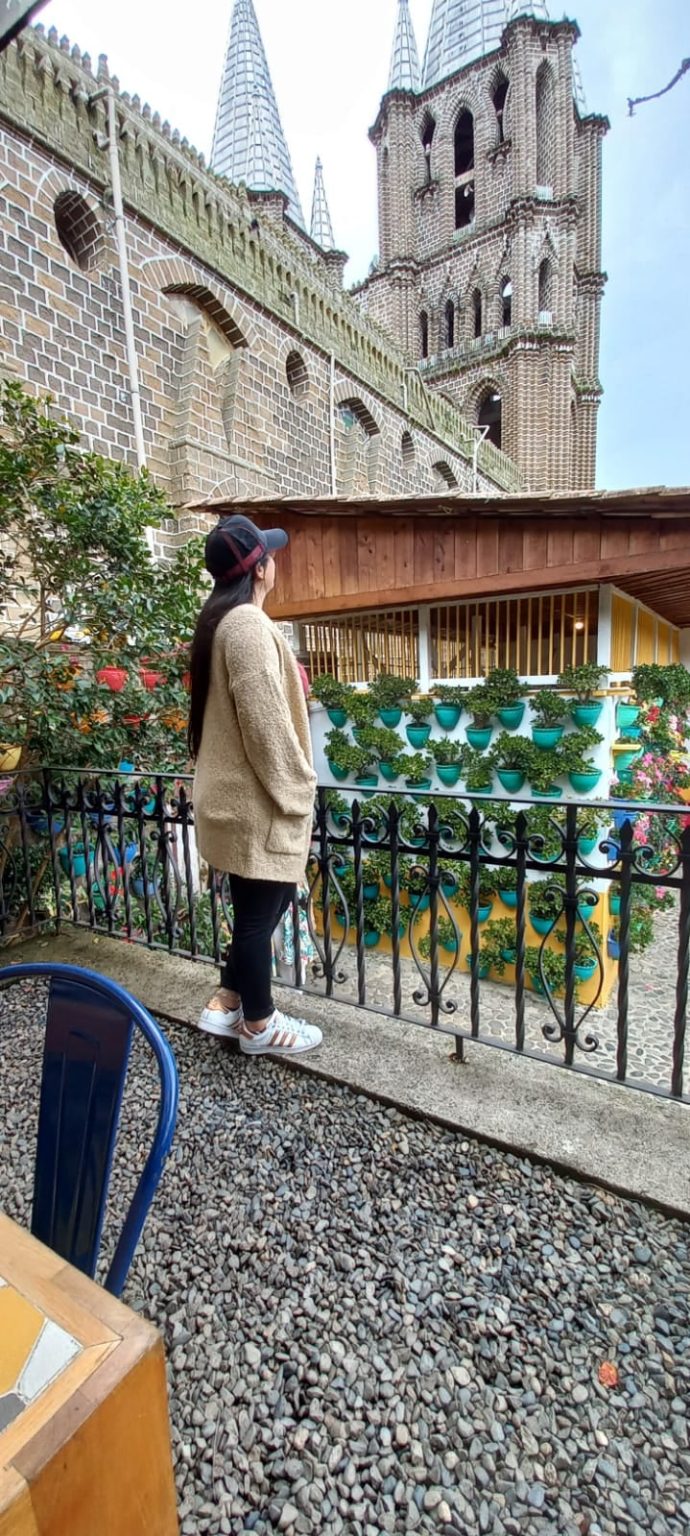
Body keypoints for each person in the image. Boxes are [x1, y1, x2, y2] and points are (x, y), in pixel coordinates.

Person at [188, 513, 322, 1056]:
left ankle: (226, 1002)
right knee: (261, 914)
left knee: (256, 911)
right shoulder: (245, 624)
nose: (274, 562)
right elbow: (266, 722)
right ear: (259, 569)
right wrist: (299, 789)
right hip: (255, 803)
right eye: (269, 554)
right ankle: (259, 1026)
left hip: (234, 799)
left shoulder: (223, 621)